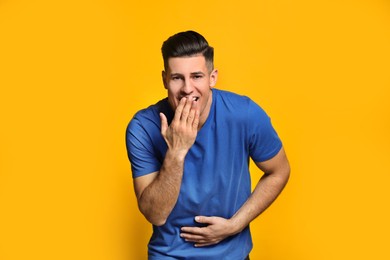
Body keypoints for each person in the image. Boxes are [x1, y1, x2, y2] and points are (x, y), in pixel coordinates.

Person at [126, 30, 290, 260]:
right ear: (164, 79)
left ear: (212, 77)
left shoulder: (245, 114)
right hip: (169, 255)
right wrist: (177, 151)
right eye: (177, 78)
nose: (187, 88)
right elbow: (156, 215)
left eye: (196, 76)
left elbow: (279, 170)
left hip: (233, 254)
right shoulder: (143, 126)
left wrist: (236, 224)